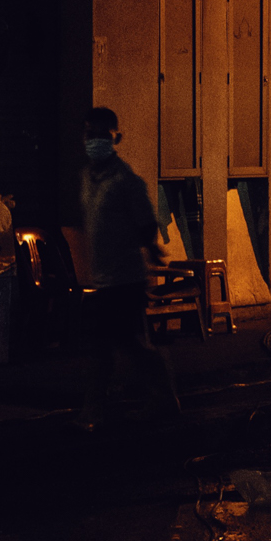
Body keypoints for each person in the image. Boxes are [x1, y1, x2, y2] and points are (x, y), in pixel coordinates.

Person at [78, 106, 180, 427]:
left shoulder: (126, 181)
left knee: (127, 344)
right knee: (105, 347)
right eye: (89, 133)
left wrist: (147, 251)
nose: (94, 140)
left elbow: (147, 225)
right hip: (101, 279)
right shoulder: (87, 178)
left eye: (101, 134)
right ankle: (98, 410)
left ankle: (162, 400)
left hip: (125, 279)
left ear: (116, 137)